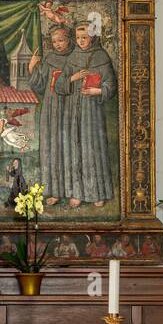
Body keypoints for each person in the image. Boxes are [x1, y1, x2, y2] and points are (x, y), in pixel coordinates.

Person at [55, 22, 117, 208]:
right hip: (73, 109)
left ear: (92, 37)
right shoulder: (73, 56)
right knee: (74, 149)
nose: (81, 41)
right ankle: (76, 193)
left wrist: (96, 92)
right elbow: (59, 84)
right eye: (78, 38)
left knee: (92, 149)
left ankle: (97, 192)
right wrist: (73, 78)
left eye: (85, 37)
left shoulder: (101, 56)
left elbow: (111, 85)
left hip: (92, 111)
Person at [28, 25, 76, 206]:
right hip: (51, 106)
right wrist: (32, 68)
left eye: (61, 40)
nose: (58, 45)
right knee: (53, 148)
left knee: (70, 148)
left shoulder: (76, 58)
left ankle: (73, 191)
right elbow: (40, 85)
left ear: (69, 39)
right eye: (54, 41)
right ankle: (55, 191)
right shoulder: (49, 59)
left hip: (70, 106)